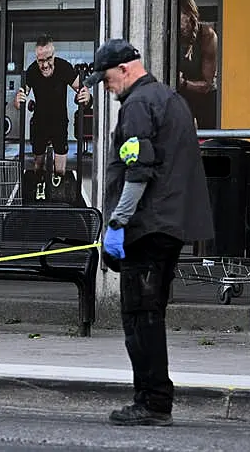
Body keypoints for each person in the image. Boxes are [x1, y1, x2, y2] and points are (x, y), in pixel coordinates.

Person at [84, 39, 213, 426]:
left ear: (125, 69)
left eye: (106, 79)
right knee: (149, 314)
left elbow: (138, 171)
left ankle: (153, 402)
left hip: (147, 228)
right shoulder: (170, 99)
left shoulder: (139, 104)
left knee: (140, 316)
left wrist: (117, 225)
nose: (105, 88)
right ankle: (153, 398)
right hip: (167, 226)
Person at [14, 34, 91, 200]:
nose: (45, 65)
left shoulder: (64, 67)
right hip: (40, 122)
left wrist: (87, 96)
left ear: (54, 55)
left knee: (60, 169)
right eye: (40, 60)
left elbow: (82, 90)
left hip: (59, 121)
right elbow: (20, 97)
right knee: (38, 164)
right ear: (36, 58)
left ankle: (58, 190)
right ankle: (40, 184)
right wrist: (18, 99)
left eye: (48, 59)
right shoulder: (33, 71)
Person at [178, 0, 218, 129]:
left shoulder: (207, 35)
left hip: (204, 99)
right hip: (179, 97)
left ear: (188, 15)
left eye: (180, 14)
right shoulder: (169, 33)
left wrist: (183, 83)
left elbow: (207, 84)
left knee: (208, 138)